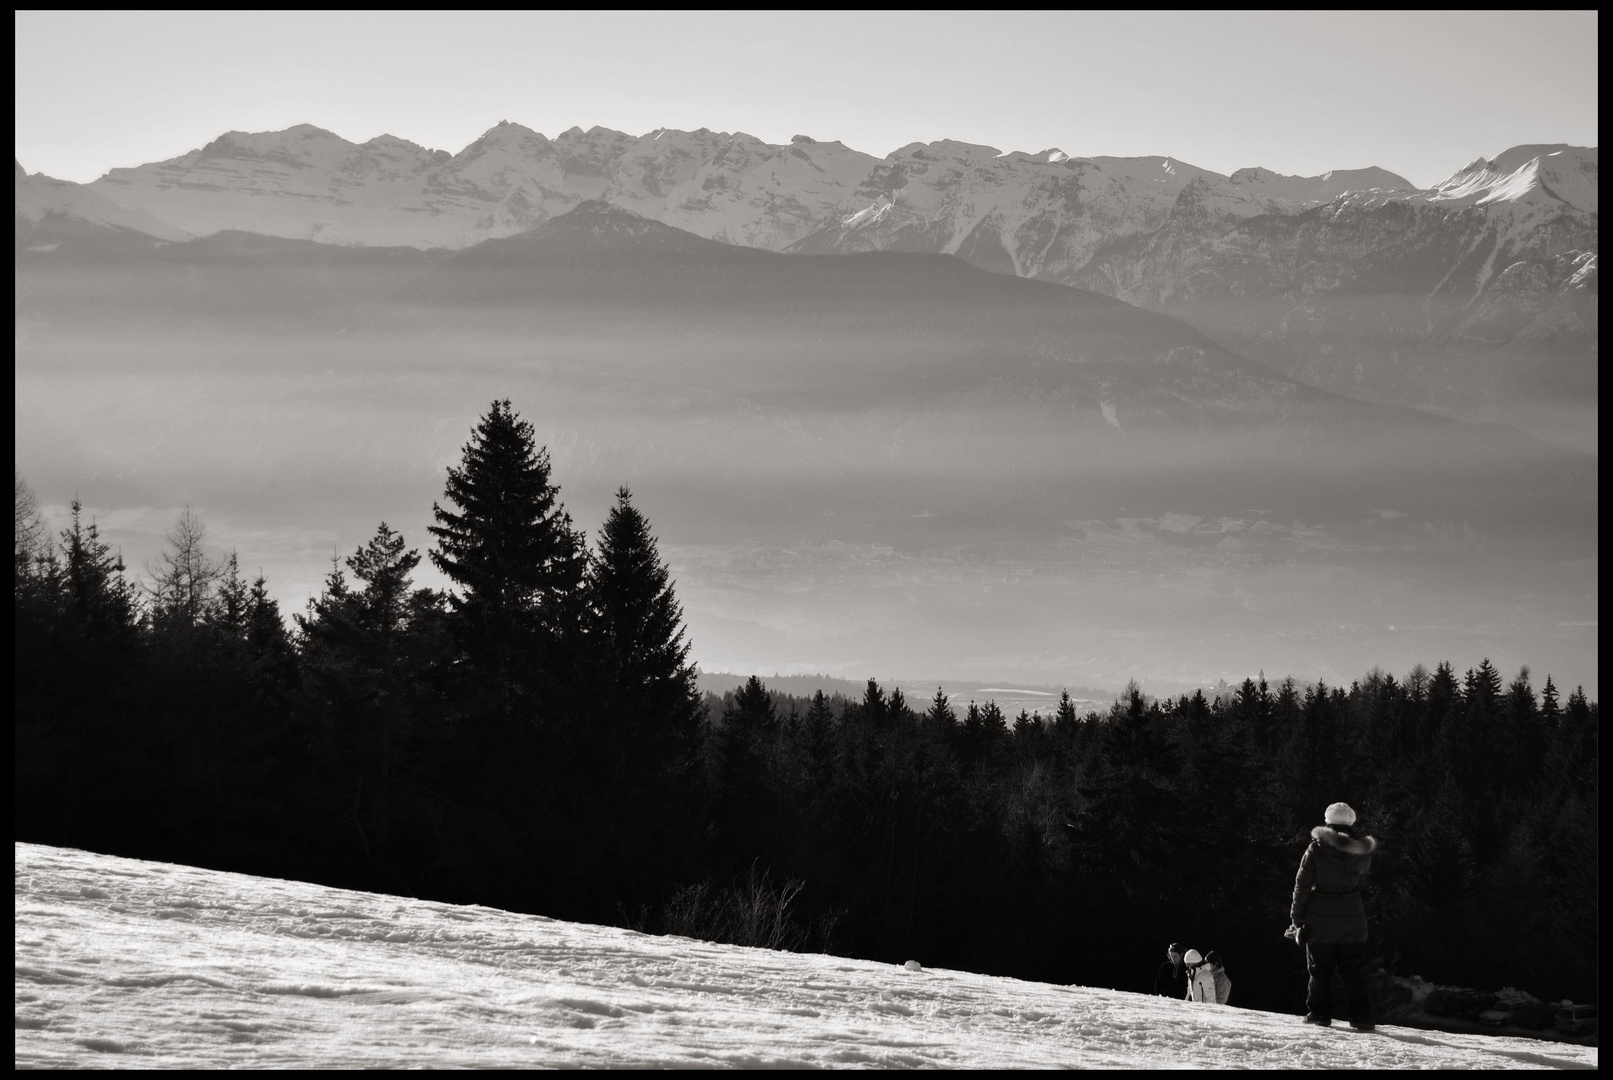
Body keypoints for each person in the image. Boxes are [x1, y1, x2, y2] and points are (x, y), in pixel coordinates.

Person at [1290, 801, 1377, 1030]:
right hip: (1352, 918)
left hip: (1319, 920)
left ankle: (1319, 1014)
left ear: (1327, 821)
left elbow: (1302, 886)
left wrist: (1297, 919)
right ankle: (1361, 1018)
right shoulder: (1360, 851)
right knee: (1354, 972)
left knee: (1319, 971)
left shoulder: (1316, 849)